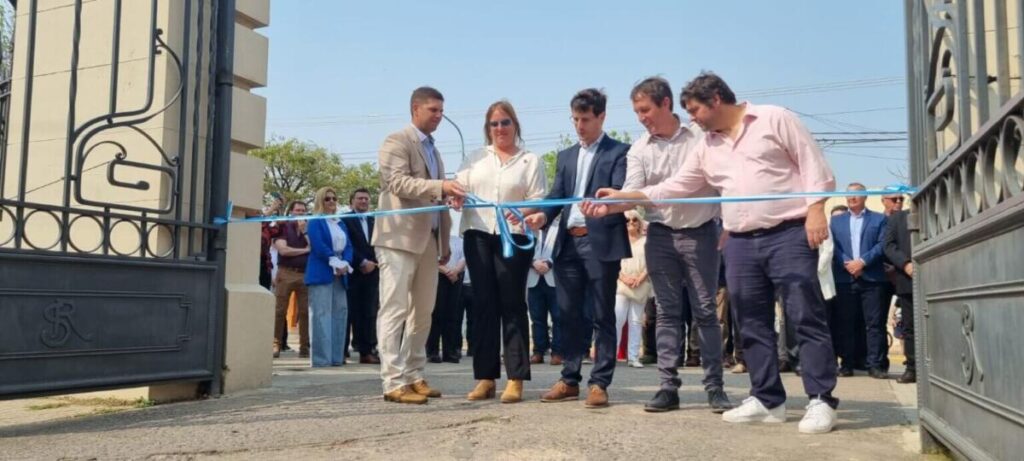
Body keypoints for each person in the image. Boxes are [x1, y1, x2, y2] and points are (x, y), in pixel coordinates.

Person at [588, 72, 839, 433]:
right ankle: (768, 399)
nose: (693, 118)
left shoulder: (774, 118)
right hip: (738, 240)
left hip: (787, 233)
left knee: (804, 315)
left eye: (695, 110)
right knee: (750, 322)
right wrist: (621, 201)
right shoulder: (708, 145)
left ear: (716, 100)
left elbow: (812, 164)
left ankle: (821, 399)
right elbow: (677, 186)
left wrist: (816, 209)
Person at [581, 77, 732, 413]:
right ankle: (667, 387)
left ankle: (715, 388)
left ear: (666, 104)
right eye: (636, 111)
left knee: (706, 310)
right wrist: (610, 206)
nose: (641, 117)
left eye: (645, 109)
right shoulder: (640, 148)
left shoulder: (700, 137)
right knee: (666, 313)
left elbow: (723, 182)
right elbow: (633, 191)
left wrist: (729, 223)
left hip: (701, 233)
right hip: (660, 235)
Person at [522, 88, 630, 409]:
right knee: (566, 313)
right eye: (575, 119)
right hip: (568, 243)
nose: (579, 126)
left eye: (585, 119)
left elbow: (621, 194)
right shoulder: (567, 156)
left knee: (601, 314)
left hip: (601, 243)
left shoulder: (619, 153)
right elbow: (557, 196)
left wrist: (607, 204)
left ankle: (599, 383)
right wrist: (542, 216)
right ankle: (569, 379)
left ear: (601, 117)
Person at [374, 86, 465, 405]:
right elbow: (397, 183)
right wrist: (441, 186)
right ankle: (392, 381)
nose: (440, 116)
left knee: (423, 312)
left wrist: (444, 240)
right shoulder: (396, 141)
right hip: (397, 238)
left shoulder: (435, 151)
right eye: (434, 110)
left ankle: (414, 373)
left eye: (442, 110)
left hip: (429, 242)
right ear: (415, 109)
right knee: (394, 308)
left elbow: (437, 198)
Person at [457, 100, 547, 403]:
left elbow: (538, 197)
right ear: (487, 128)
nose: (500, 129)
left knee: (512, 303)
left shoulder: (529, 160)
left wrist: (521, 209)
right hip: (478, 234)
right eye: (494, 124)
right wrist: (453, 196)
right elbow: (459, 188)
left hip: (513, 235)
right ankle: (485, 377)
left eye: (505, 122)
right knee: (483, 305)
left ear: (515, 125)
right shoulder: (475, 158)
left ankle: (516, 378)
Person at [830, 183, 889, 379]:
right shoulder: (836, 222)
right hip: (845, 278)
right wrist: (847, 263)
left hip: (872, 278)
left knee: (874, 324)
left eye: (856, 195)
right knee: (845, 323)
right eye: (848, 195)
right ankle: (846, 363)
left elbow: (882, 244)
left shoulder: (879, 219)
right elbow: (833, 247)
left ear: (865, 197)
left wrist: (862, 262)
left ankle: (874, 364)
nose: (851, 198)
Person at [304, 187, 354, 368]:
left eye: (334, 198)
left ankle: (336, 357)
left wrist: (346, 263)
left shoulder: (340, 223)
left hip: (341, 273)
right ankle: (321, 359)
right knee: (320, 315)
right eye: (327, 199)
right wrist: (333, 260)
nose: (331, 201)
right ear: (320, 201)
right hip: (322, 271)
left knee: (340, 314)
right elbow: (318, 244)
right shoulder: (316, 221)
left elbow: (348, 245)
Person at [342, 188, 381, 364]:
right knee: (349, 312)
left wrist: (373, 263)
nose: (363, 201)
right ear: (352, 201)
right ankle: (341, 351)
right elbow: (346, 244)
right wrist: (362, 262)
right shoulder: (345, 219)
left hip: (373, 272)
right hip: (352, 272)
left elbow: (380, 244)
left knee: (369, 312)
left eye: (366, 198)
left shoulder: (376, 220)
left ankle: (367, 351)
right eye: (360, 198)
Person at [272, 200, 311, 359]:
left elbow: (314, 248)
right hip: (286, 272)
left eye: (303, 211)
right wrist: (305, 250)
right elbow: (284, 250)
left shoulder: (309, 227)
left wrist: (305, 232)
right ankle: (276, 344)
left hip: (305, 273)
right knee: (280, 310)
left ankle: (304, 346)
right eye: (297, 210)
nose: (300, 213)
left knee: (304, 312)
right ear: (291, 211)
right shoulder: (283, 226)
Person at [615, 210, 651, 368]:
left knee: (636, 321)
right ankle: (612, 355)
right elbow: (613, 262)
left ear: (640, 222)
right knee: (617, 319)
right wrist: (623, 277)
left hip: (640, 283)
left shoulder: (647, 241)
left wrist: (641, 278)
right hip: (622, 283)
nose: (630, 222)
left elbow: (652, 262)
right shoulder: (618, 240)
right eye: (627, 220)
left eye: (634, 220)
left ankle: (633, 356)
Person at [884, 209, 915, 384]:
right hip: (907, 279)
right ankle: (912, 368)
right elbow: (888, 245)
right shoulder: (897, 219)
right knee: (910, 327)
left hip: (936, 276)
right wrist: (905, 264)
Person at [427, 232, 466, 364]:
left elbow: (464, 258)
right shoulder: (433, 238)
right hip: (438, 275)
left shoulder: (458, 240)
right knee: (436, 315)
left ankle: (449, 352)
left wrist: (455, 271)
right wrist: (446, 271)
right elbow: (429, 257)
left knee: (452, 316)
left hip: (456, 277)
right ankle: (432, 352)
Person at [528, 218, 562, 365]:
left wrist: (549, 263)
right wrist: (533, 262)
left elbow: (563, 248)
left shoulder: (560, 227)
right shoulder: (529, 227)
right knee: (537, 318)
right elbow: (522, 248)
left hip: (554, 278)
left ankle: (558, 352)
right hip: (533, 277)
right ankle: (538, 351)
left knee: (558, 317)